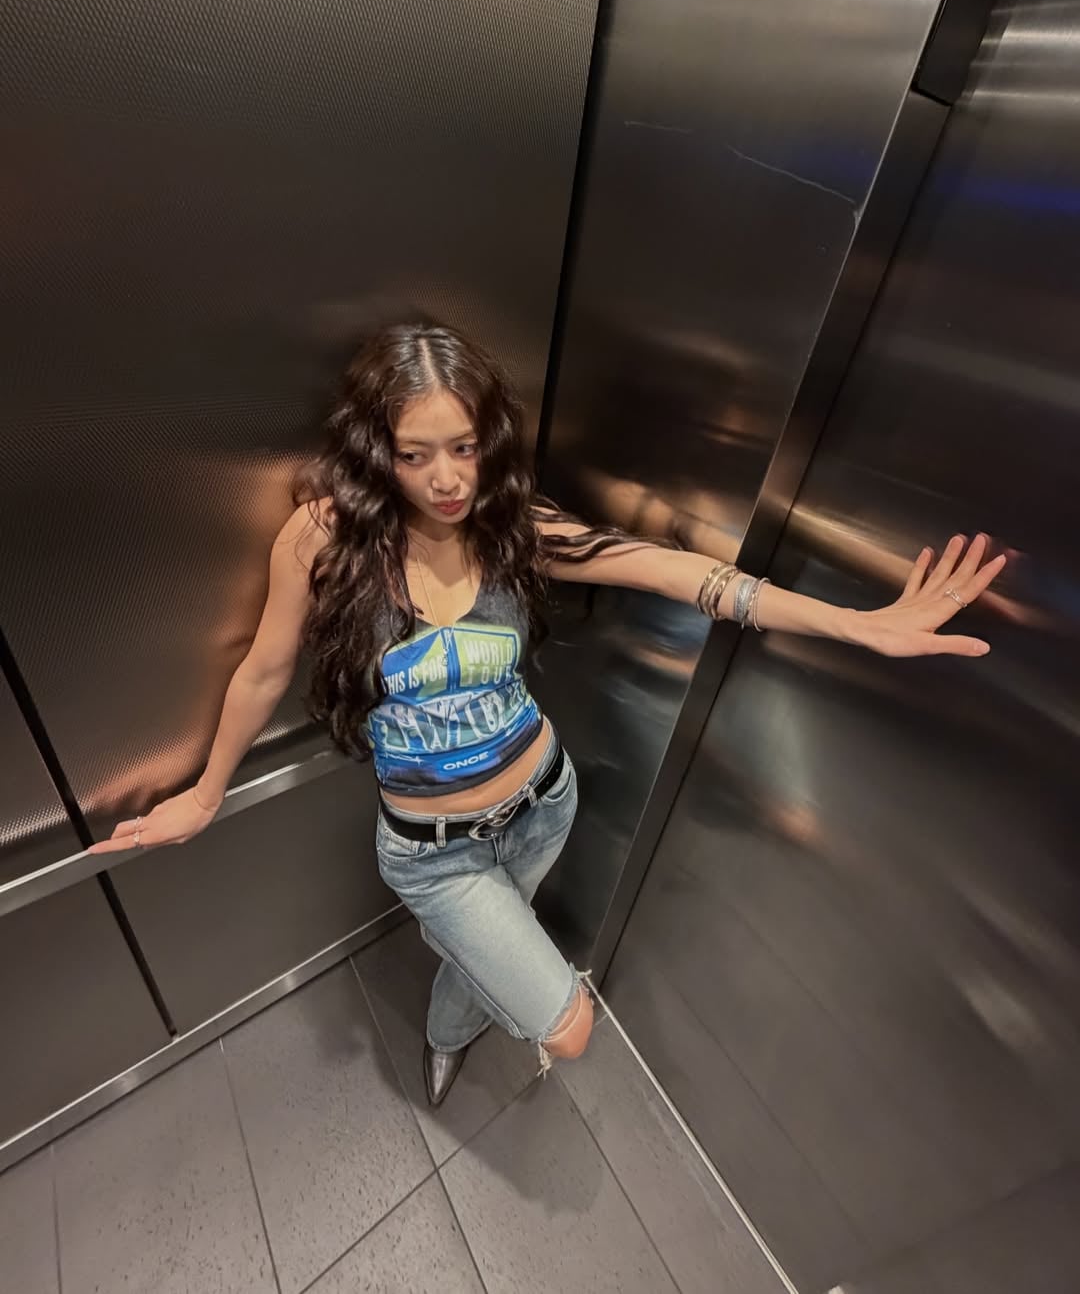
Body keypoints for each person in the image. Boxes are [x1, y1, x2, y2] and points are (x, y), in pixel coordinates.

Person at [91, 321, 1005, 1106]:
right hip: (432, 851)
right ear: (378, 451)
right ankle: (479, 979)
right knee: (568, 1029)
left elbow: (671, 568)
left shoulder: (512, 525)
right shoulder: (323, 539)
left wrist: (854, 624)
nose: (447, 478)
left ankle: (449, 1029)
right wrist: (205, 795)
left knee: (487, 949)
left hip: (543, 802)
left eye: (464, 447)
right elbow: (262, 671)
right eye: (415, 454)